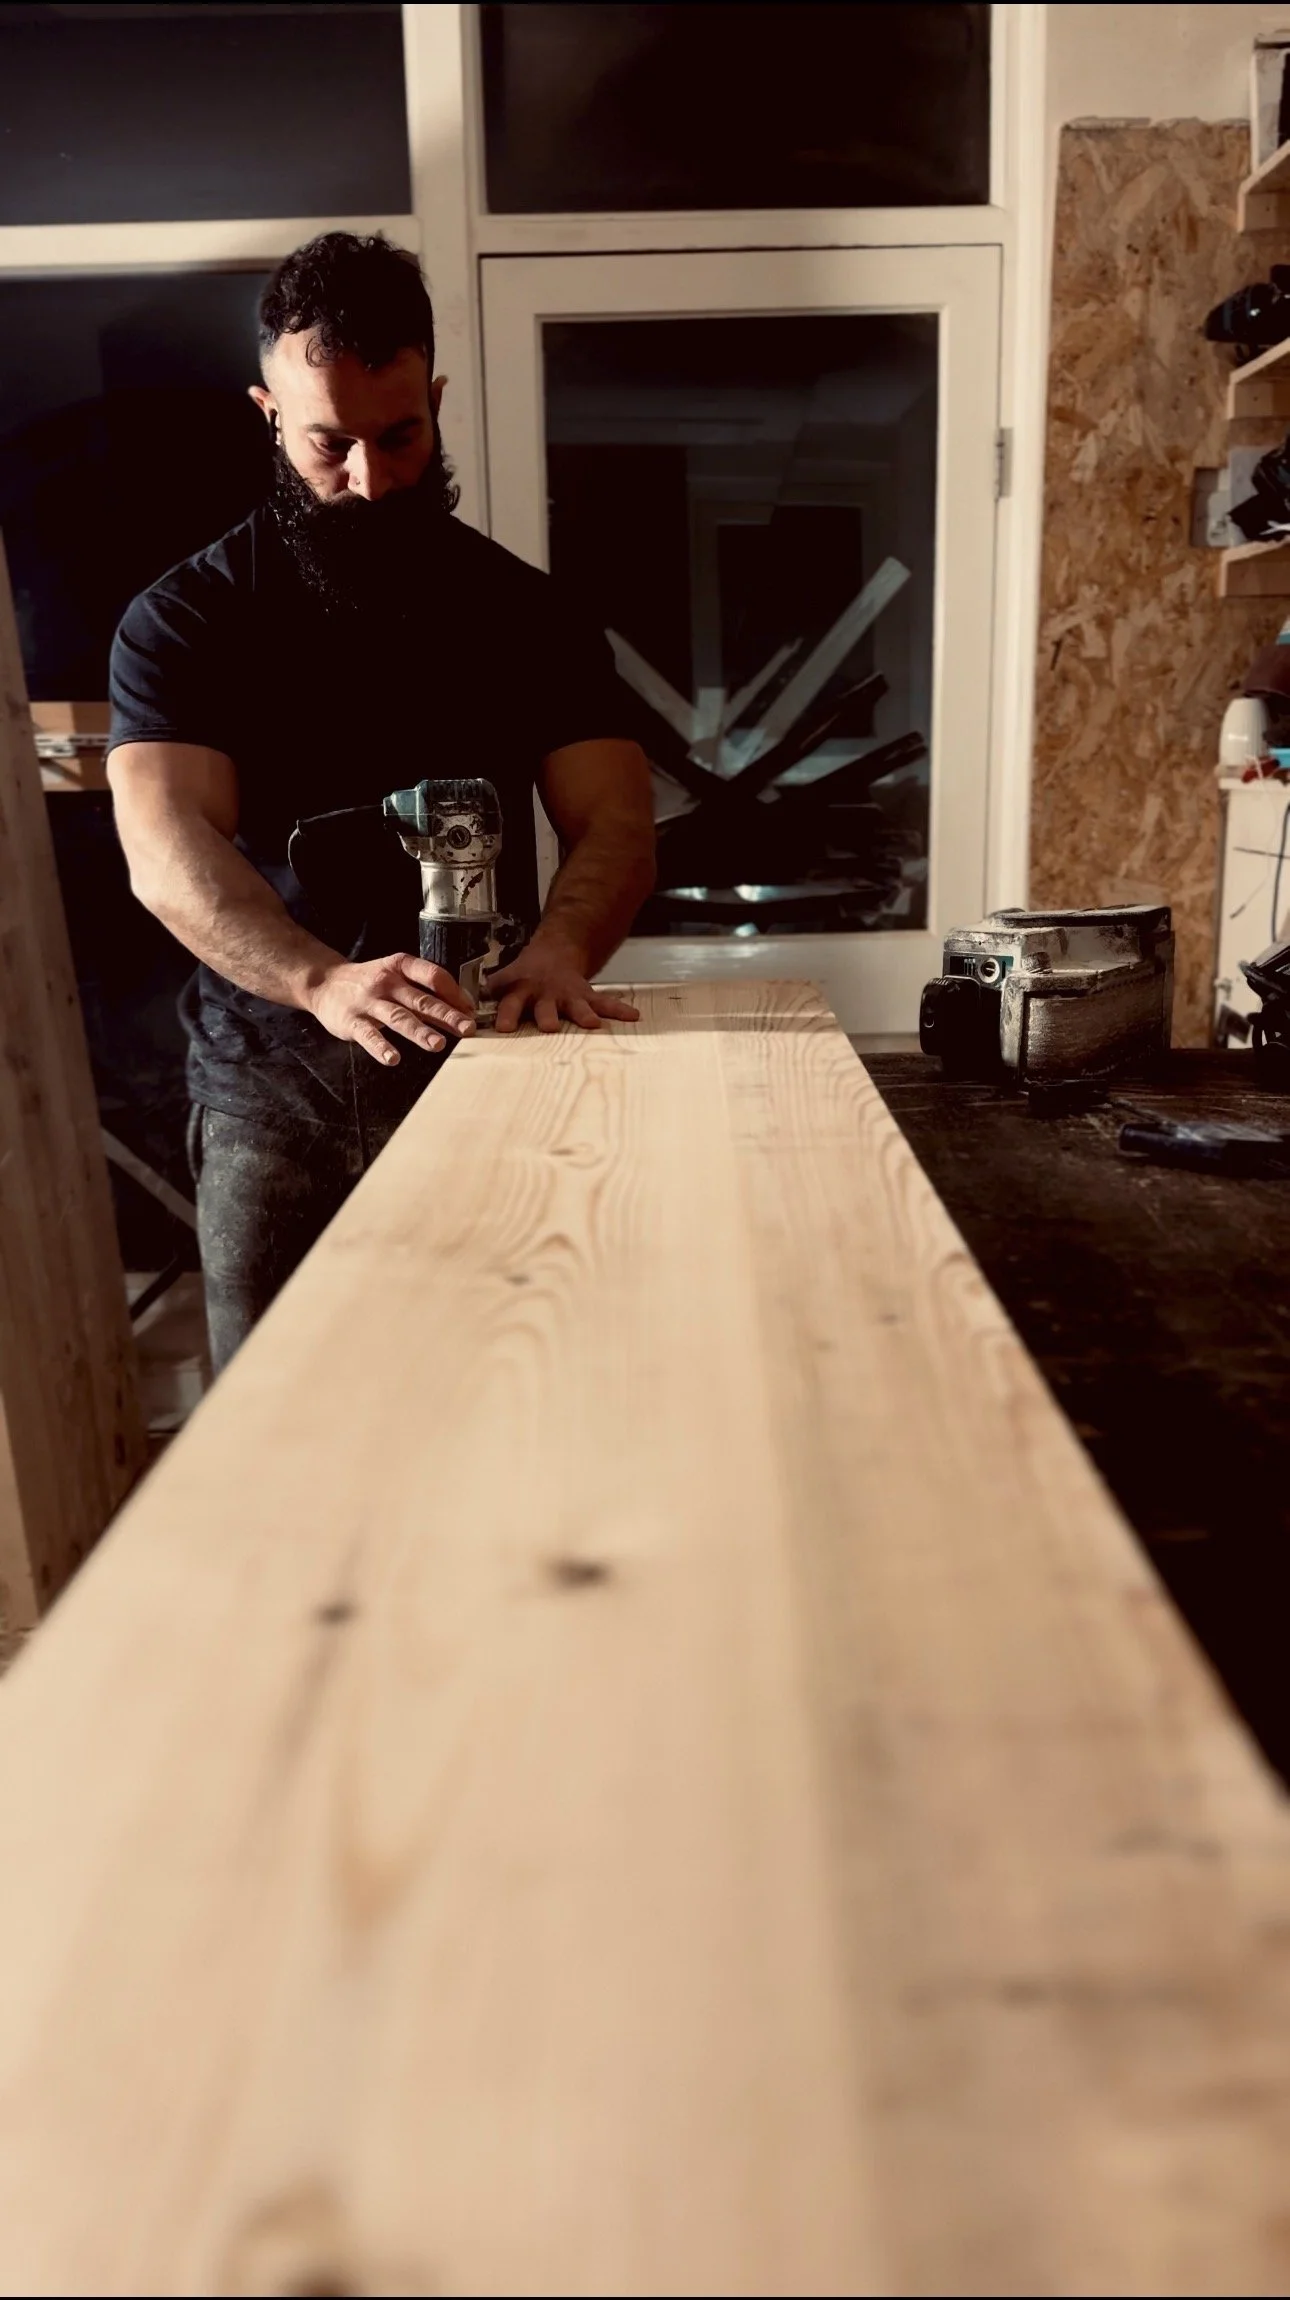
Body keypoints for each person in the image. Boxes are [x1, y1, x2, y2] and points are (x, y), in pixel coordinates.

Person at [107, 232, 655, 1371]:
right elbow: (165, 845)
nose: (370, 477)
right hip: (272, 1091)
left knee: (504, 1389)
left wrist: (564, 948)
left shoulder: (531, 615)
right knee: (274, 1418)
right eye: (330, 443)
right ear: (268, 413)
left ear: (435, 401)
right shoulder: (186, 620)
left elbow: (614, 819)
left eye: (399, 436)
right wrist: (318, 979)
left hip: (491, 1068)